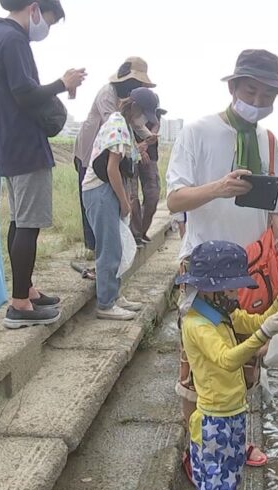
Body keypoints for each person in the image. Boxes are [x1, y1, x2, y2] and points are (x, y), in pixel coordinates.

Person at [166, 49, 278, 472]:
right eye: (250, 90)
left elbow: (271, 202)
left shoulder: (267, 140)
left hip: (252, 268)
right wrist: (218, 187)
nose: (257, 101)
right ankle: (195, 450)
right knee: (199, 369)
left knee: (247, 360)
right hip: (204, 273)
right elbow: (174, 199)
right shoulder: (198, 132)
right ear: (232, 87)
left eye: (267, 95)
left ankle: (236, 442)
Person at [0, 0, 85, 328]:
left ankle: (25, 290)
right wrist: (63, 83)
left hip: (9, 145)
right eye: (49, 20)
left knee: (19, 222)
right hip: (26, 146)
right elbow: (25, 93)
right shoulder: (14, 39)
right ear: (34, 9)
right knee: (27, 225)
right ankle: (19, 304)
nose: (46, 28)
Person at [178, 241, 278, 490]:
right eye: (233, 289)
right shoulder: (197, 325)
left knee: (231, 480)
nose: (237, 294)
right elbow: (227, 360)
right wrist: (264, 335)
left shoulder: (223, 314)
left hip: (234, 412)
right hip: (213, 419)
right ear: (212, 289)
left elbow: (257, 321)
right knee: (214, 486)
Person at [81, 89, 158, 320]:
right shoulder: (117, 124)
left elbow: (124, 159)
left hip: (106, 190)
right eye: (144, 114)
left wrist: (142, 147)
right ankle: (105, 304)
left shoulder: (122, 124)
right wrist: (126, 203)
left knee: (116, 246)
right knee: (110, 248)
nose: (145, 120)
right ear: (135, 108)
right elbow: (111, 169)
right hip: (101, 191)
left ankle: (113, 295)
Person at [74, 57, 155, 258]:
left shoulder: (127, 104)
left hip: (108, 155)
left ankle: (103, 247)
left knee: (107, 203)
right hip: (89, 153)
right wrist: (137, 147)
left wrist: (148, 137)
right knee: (93, 202)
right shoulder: (107, 95)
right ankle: (93, 248)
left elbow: (134, 122)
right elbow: (116, 124)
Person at [128, 103, 165, 244]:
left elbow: (155, 129)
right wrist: (139, 150)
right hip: (131, 156)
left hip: (151, 158)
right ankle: (135, 234)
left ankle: (142, 231)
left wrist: (148, 141)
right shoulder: (132, 111)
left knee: (153, 195)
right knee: (132, 196)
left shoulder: (154, 110)